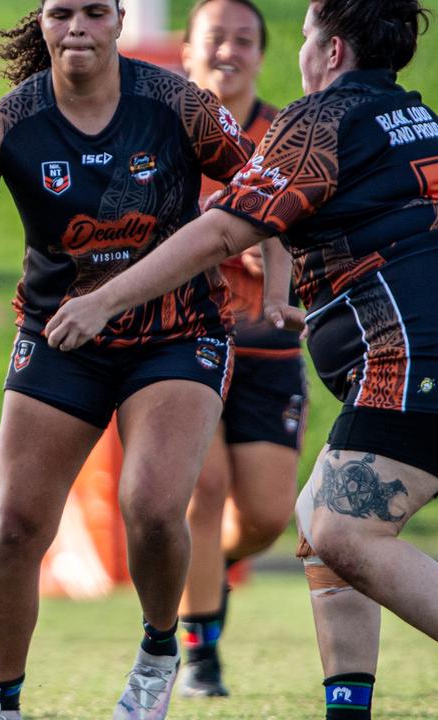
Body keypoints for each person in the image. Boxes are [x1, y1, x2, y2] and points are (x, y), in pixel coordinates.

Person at [47, 2, 438, 718]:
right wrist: (300, 294)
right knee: (321, 527)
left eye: (300, 38)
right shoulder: (410, 114)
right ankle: (347, 707)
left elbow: (220, 233)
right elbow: (363, 218)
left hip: (424, 343)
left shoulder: (321, 115)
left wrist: (104, 300)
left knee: (342, 529)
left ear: (329, 51)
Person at [0, 1, 255, 717]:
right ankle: (2, 700)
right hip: (59, 340)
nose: (78, 26)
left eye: (94, 12)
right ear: (42, 23)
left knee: (153, 506)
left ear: (119, 21)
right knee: (16, 526)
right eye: (62, 12)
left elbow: (270, 193)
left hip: (177, 332)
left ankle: (160, 649)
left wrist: (285, 285)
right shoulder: (9, 120)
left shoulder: (177, 102)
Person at [174, 0, 306, 699]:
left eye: (244, 39)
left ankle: (199, 571)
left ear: (262, 54)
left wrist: (280, 266)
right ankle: (200, 658)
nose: (229, 50)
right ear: (187, 49)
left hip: (267, 351)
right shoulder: (163, 133)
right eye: (215, 37)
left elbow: (319, 240)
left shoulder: (288, 140)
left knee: (262, 517)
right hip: (183, 345)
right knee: (205, 486)